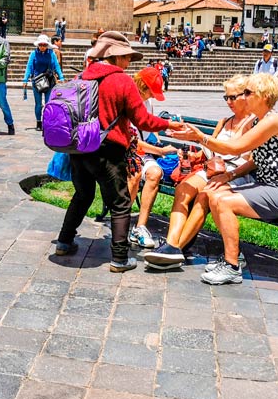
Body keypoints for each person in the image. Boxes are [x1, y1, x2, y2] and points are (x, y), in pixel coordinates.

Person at [148, 74, 278, 285]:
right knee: (212, 193)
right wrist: (228, 175)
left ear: (264, 96)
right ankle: (228, 255)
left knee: (221, 201)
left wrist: (199, 137)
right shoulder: (261, 120)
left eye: (248, 93)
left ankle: (231, 266)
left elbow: (236, 148)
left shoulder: (274, 120)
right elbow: (256, 159)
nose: (243, 97)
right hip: (265, 185)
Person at [55, 31, 183, 272]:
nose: (129, 62)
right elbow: (142, 120)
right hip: (107, 150)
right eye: (126, 56)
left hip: (79, 148)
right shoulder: (122, 81)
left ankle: (64, 241)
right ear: (114, 56)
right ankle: (120, 258)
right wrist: (169, 124)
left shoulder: (83, 76)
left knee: (82, 195)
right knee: (121, 202)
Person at [145, 76, 255, 268]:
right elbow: (211, 150)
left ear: (245, 96)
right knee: (183, 189)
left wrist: (228, 173)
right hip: (215, 169)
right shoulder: (224, 121)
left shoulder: (253, 124)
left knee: (205, 195)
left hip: (237, 173)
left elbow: (251, 160)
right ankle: (172, 243)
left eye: (232, 97)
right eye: (226, 98)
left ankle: (175, 248)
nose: (228, 102)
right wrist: (194, 147)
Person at [126, 67, 178, 249]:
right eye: (151, 91)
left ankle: (140, 226)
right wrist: (162, 152)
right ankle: (122, 223)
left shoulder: (148, 104)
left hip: (144, 154)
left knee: (155, 173)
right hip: (127, 153)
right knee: (133, 175)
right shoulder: (127, 103)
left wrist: (159, 139)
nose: (153, 96)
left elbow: (149, 130)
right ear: (141, 86)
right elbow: (132, 142)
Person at [22, 34, 64, 130]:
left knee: (48, 103)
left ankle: (47, 121)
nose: (42, 47)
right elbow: (29, 67)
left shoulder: (51, 54)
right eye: (40, 45)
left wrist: (61, 77)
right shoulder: (33, 54)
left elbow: (56, 66)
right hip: (37, 81)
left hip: (49, 81)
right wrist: (25, 79)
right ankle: (38, 122)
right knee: (38, 104)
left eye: (44, 45)